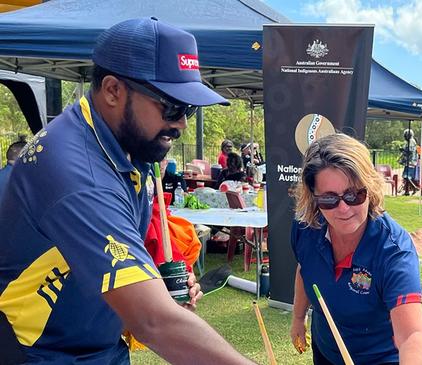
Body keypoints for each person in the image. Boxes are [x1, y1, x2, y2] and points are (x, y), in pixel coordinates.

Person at [0, 18, 254, 364]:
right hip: (42, 353)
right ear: (113, 90)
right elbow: (155, 321)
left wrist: (152, 282)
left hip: (99, 346)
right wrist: (153, 304)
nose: (181, 123)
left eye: (189, 109)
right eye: (172, 106)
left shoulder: (126, 144)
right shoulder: (78, 174)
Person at [290, 133, 422, 365]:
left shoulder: (393, 250)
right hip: (325, 349)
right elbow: (305, 268)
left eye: (354, 195)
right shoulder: (306, 227)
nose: (343, 209)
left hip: (378, 358)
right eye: (328, 199)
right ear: (314, 199)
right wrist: (297, 318)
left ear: (371, 188)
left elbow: (412, 335)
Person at [399, 128, 420, 195]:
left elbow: (409, 151)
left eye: (405, 135)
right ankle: (407, 192)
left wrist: (403, 150)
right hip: (410, 162)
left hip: (410, 162)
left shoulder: (411, 142)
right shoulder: (411, 141)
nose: (404, 137)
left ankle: (415, 188)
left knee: (406, 176)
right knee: (407, 177)